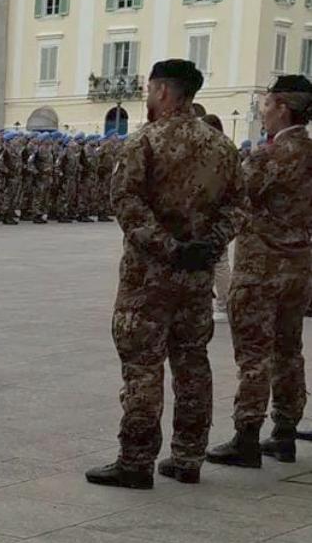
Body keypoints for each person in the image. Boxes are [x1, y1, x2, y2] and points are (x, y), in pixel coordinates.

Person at [86, 59, 242, 490]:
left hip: (149, 278)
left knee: (143, 367)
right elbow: (236, 207)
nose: (148, 97)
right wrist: (208, 245)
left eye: (151, 90)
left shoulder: (144, 143)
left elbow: (128, 204)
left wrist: (169, 247)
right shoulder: (222, 147)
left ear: (163, 92)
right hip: (195, 278)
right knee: (193, 363)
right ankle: (188, 457)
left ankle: (136, 461)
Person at [207, 75, 312, 467]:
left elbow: (234, 193)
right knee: (289, 351)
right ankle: (284, 432)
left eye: (266, 104)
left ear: (283, 107)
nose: (263, 112)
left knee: (254, 354)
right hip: (299, 267)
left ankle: (246, 436)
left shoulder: (270, 157)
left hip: (261, 269)